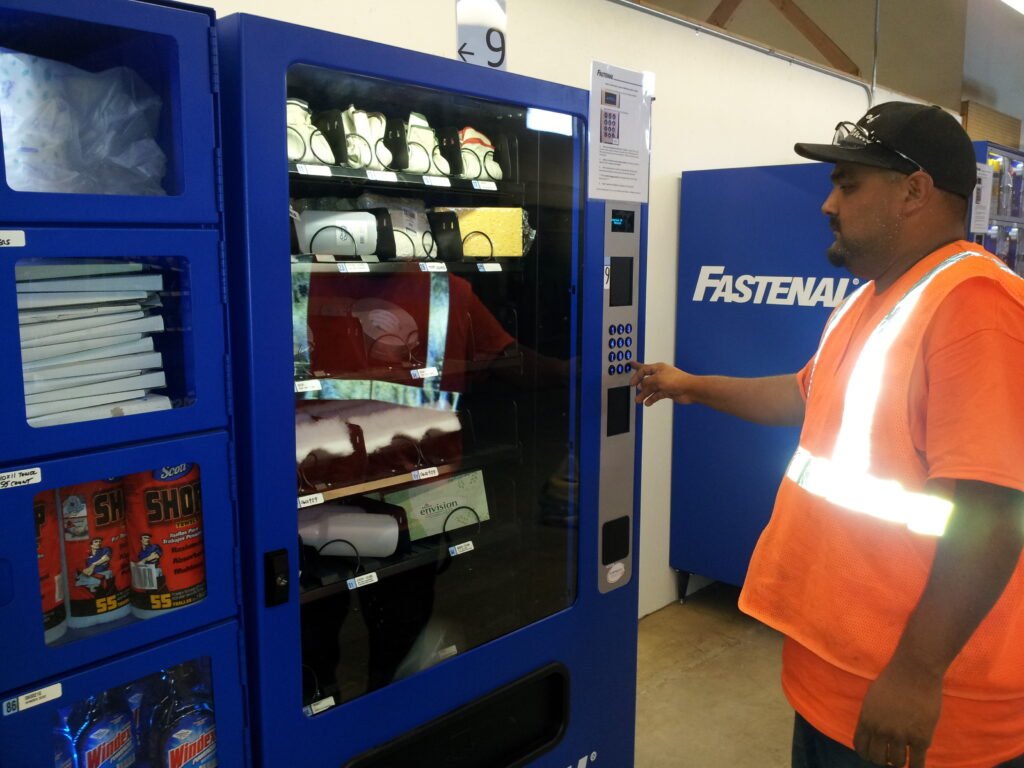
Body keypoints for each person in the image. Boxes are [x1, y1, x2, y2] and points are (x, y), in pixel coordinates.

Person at [631, 102, 1024, 768]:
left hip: (924, 709)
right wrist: (688, 384)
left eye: (847, 183)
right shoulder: (872, 299)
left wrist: (917, 673)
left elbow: (997, 510)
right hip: (835, 674)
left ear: (913, 192)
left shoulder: (977, 307)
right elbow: (802, 397)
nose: (827, 204)